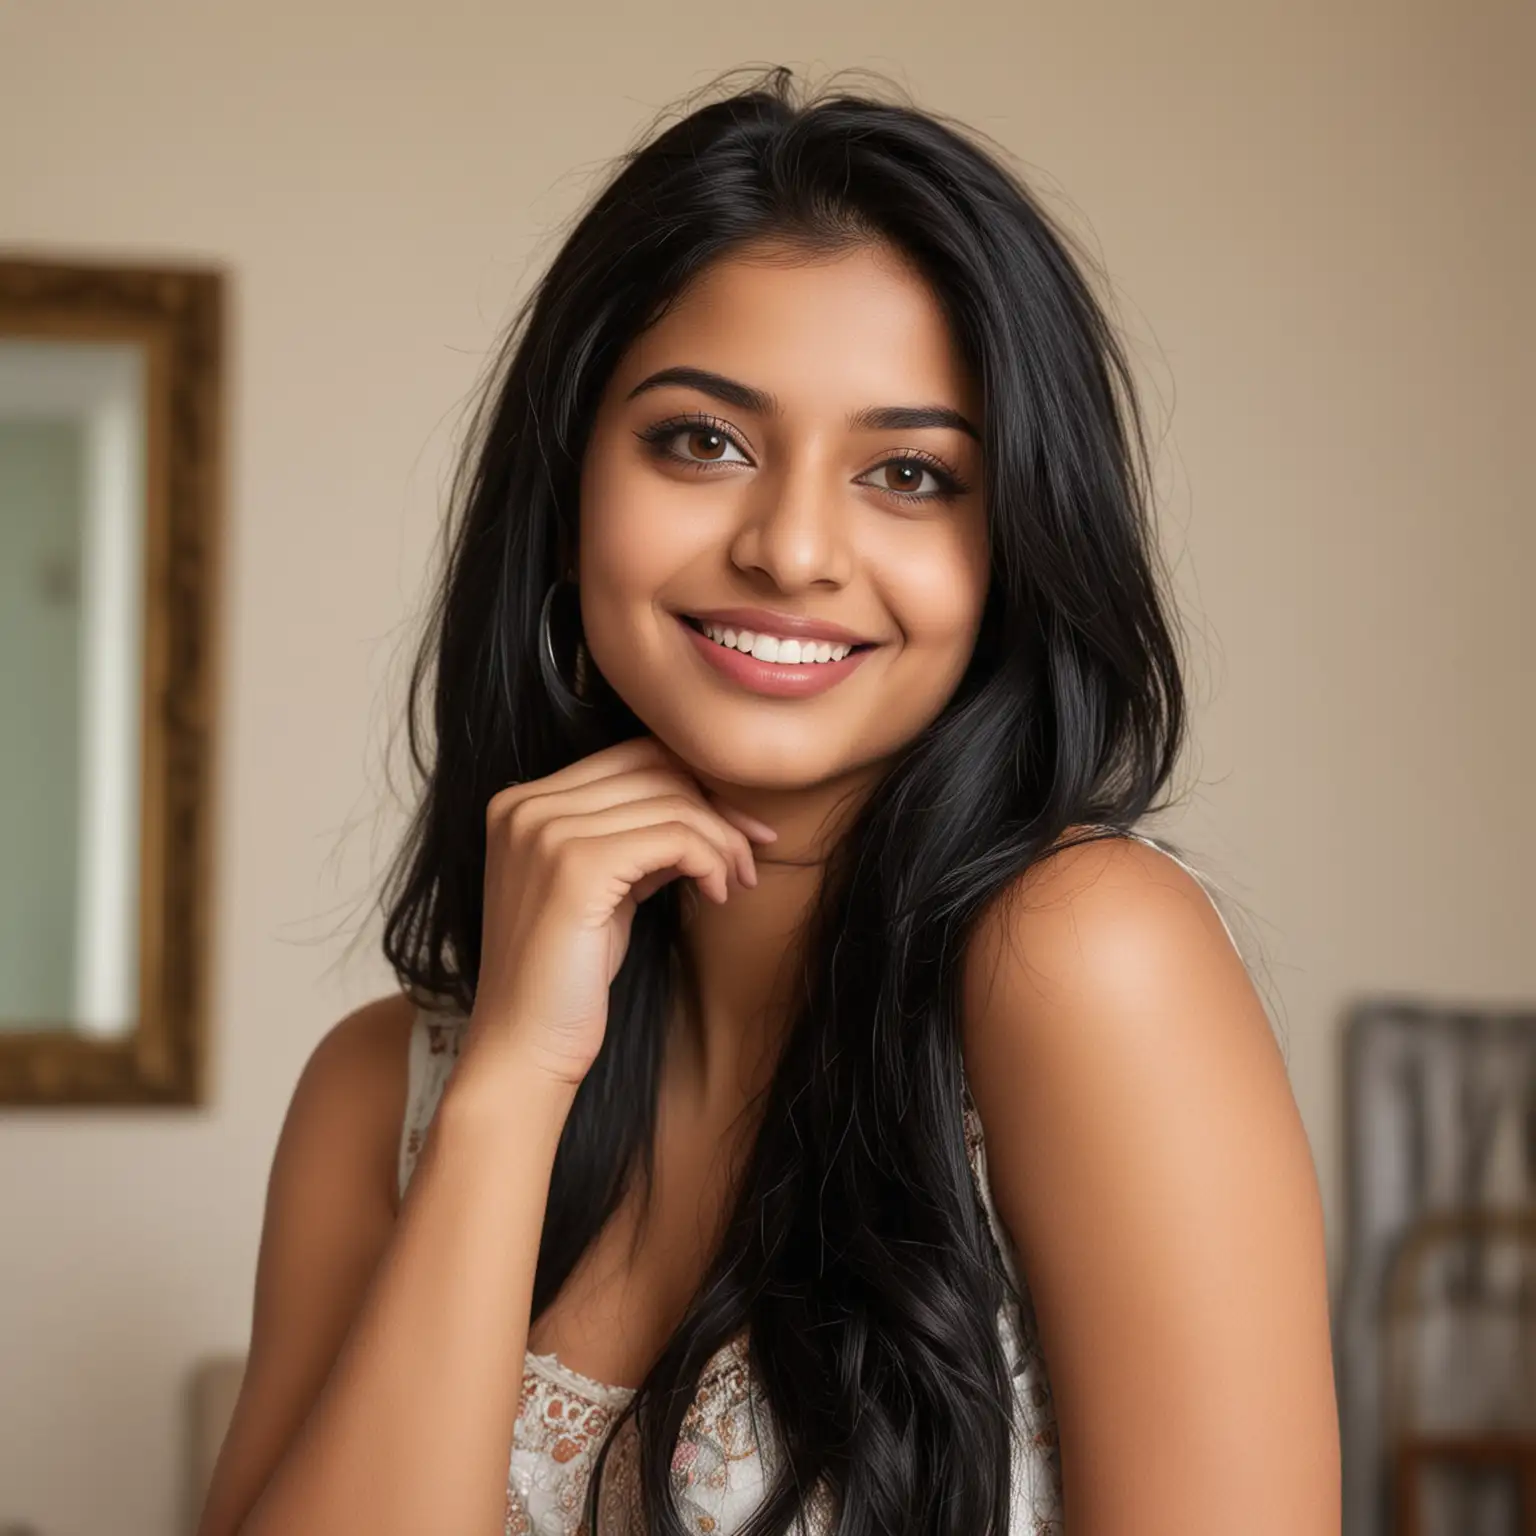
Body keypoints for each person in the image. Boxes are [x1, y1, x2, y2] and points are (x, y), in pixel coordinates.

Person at [196, 67, 1340, 1536]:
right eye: (703, 440)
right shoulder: (384, 1100)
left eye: (912, 473)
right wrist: (509, 1092)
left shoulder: (1085, 960)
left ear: (1015, 556)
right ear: (566, 500)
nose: (794, 548)